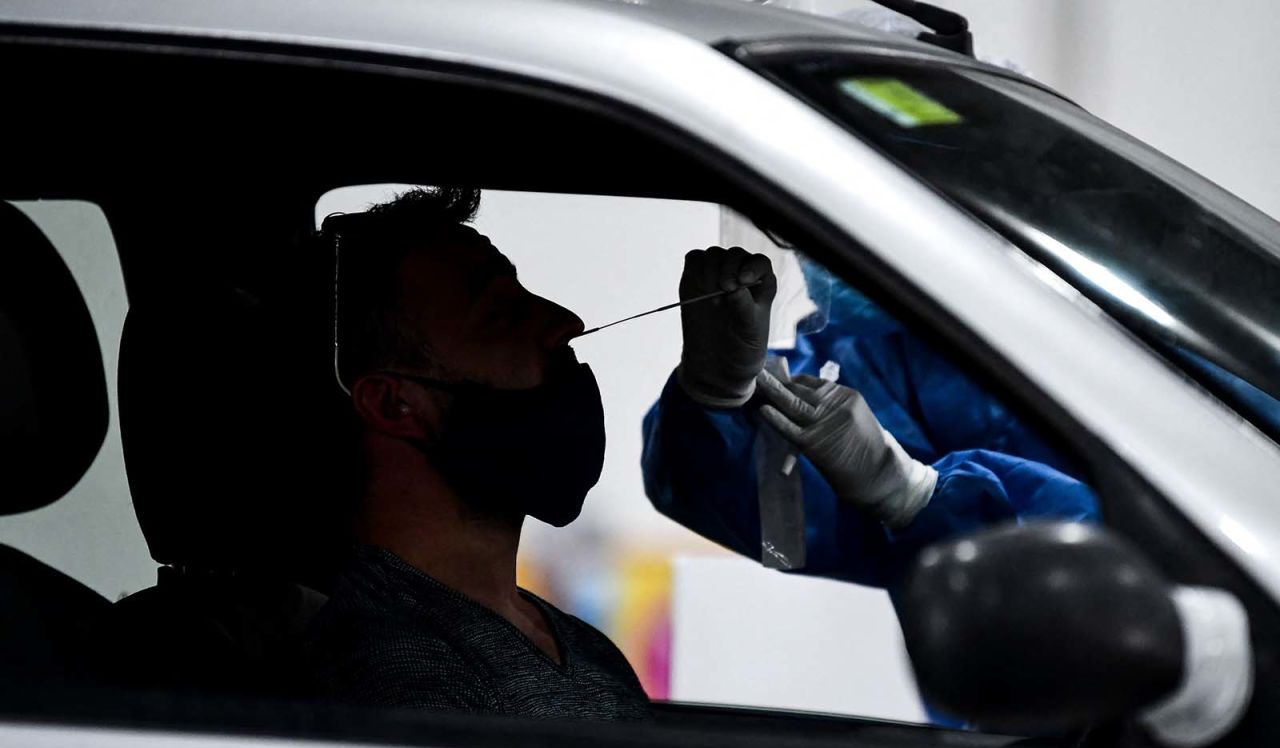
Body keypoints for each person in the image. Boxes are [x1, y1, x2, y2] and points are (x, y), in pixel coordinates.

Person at [305, 187, 649, 721]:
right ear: (395, 404)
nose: (566, 321)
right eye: (502, 316)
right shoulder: (394, 675)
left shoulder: (578, 645)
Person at [642, 247, 1100, 595]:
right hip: (1007, 700)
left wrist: (914, 495)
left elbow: (1126, 564)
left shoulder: (1106, 332)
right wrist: (714, 398)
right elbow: (772, 522)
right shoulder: (835, 362)